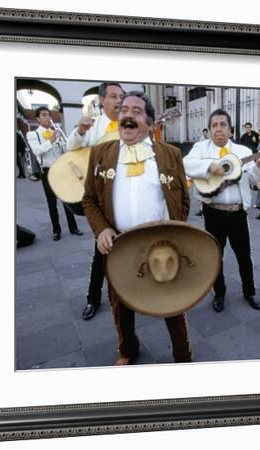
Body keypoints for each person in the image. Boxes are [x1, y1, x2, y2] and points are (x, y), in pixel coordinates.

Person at [82, 91, 192, 365]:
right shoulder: (100, 153)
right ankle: (128, 350)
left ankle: (183, 355)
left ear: (151, 122)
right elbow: (89, 199)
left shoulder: (170, 154)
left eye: (136, 111)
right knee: (121, 305)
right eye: (123, 110)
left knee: (173, 303)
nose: (128, 115)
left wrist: (176, 231)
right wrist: (102, 230)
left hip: (162, 244)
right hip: (119, 245)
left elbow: (184, 199)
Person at [184, 109, 260, 313]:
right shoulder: (200, 148)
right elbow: (185, 164)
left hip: (238, 212)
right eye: (214, 125)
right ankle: (220, 293)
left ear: (230, 130)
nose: (218, 129)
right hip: (212, 211)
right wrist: (210, 166)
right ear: (209, 130)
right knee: (215, 255)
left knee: (244, 255)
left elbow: (253, 179)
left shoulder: (243, 152)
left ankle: (249, 291)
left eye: (222, 125)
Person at [66, 82, 125, 321]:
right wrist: (80, 131)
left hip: (124, 193)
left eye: (121, 96)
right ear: (103, 100)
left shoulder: (129, 122)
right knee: (102, 249)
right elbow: (71, 147)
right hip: (101, 198)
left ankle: (133, 295)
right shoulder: (95, 126)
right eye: (113, 96)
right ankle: (93, 298)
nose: (119, 100)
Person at [26, 107, 83, 241]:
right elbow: (37, 151)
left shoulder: (55, 132)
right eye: (44, 115)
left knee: (67, 199)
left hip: (61, 170)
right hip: (47, 170)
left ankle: (73, 227)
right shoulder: (33, 135)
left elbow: (64, 150)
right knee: (52, 202)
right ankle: (56, 230)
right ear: (38, 118)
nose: (48, 118)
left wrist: (65, 145)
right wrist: (51, 141)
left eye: (49, 115)